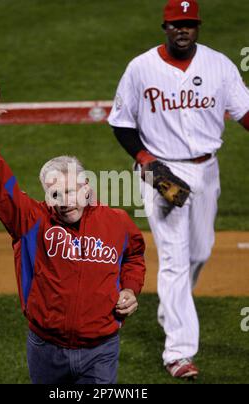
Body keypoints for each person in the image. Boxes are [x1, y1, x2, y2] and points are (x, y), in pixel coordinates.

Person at [108, 0, 249, 379]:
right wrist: (145, 159)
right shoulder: (141, 68)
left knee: (200, 251)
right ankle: (178, 353)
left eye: (189, 24)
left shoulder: (219, 65)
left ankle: (171, 308)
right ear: (164, 28)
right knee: (173, 258)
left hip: (207, 170)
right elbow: (120, 122)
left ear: (197, 27)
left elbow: (245, 112)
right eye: (176, 25)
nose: (183, 30)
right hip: (162, 172)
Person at [0, 83, 146, 384]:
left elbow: (134, 255)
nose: (64, 200)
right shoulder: (31, 221)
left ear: (86, 187)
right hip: (45, 349)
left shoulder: (116, 222)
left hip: (100, 349)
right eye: (54, 194)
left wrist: (130, 289)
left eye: (70, 190)